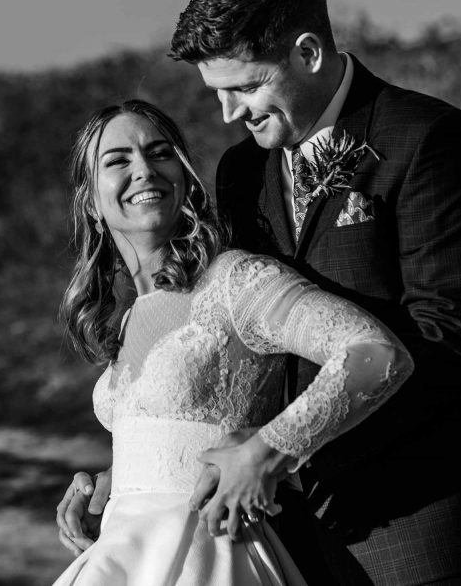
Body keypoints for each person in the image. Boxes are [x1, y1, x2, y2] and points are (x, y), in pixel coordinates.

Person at [159, 0, 461, 584]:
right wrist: (139, 469)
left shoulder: (428, 140)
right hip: (288, 532)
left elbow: (452, 336)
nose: (231, 114)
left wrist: (285, 446)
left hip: (424, 523)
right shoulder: (240, 172)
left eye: (247, 86)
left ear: (308, 54)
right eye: (218, 94)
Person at [52, 99, 413, 585]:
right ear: (92, 203)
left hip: (216, 560)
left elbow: (376, 355)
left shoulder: (235, 282)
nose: (144, 169)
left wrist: (268, 449)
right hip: (127, 560)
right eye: (118, 161)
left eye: (160, 153)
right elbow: (169, 445)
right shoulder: (124, 318)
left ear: (184, 178)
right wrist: (112, 490)